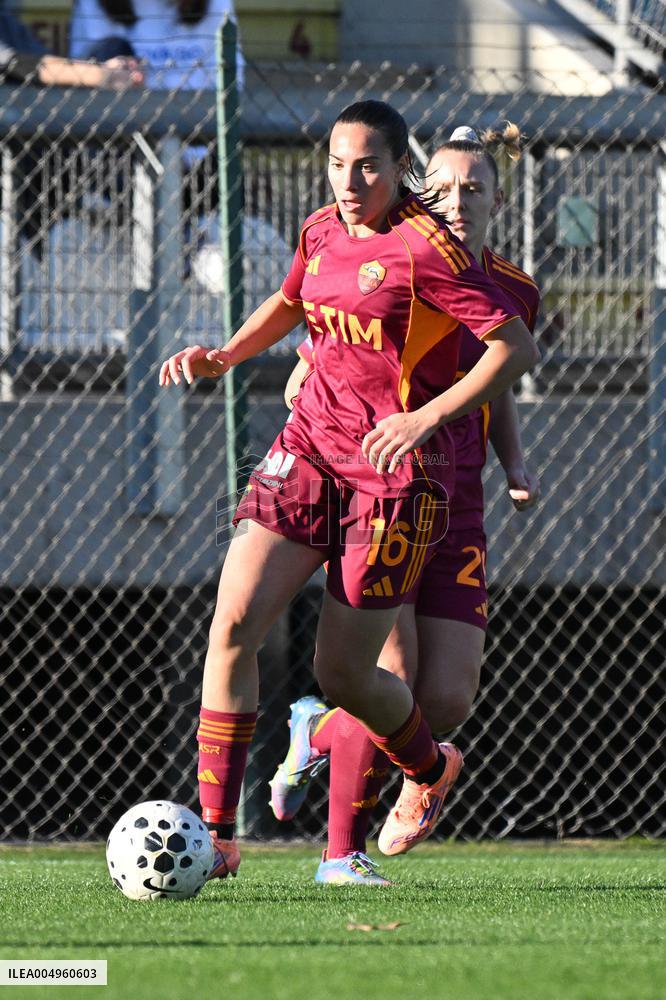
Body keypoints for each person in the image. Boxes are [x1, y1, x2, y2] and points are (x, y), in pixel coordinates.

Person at [159, 100, 539, 882]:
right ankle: (218, 836)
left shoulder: (428, 251)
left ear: (402, 168)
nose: (348, 179)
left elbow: (514, 349)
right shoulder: (322, 230)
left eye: (366, 164)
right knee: (233, 622)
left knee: (346, 676)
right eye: (337, 162)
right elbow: (293, 300)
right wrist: (224, 356)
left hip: (394, 482)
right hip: (307, 451)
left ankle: (427, 769)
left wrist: (425, 417)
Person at [269, 123, 541, 885]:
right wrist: (306, 384)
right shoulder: (399, 255)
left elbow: (500, 376)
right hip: (384, 489)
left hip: (455, 500)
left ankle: (314, 733)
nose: (455, 202)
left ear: (498, 196)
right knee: (381, 671)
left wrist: (514, 463)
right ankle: (341, 853)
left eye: (473, 189)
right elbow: (325, 343)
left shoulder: (513, 288)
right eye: (442, 187)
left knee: (445, 699)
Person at [69, 0, 243, 91]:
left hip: (202, 138)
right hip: (129, 138)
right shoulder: (94, 4)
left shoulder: (215, 4)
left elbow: (231, 80)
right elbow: (82, 77)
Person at [0, 1, 142, 87]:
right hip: (13, 118)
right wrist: (103, 74)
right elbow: (17, 64)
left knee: (114, 47)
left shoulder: (6, 18)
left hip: (42, 104)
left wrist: (113, 70)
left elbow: (43, 61)